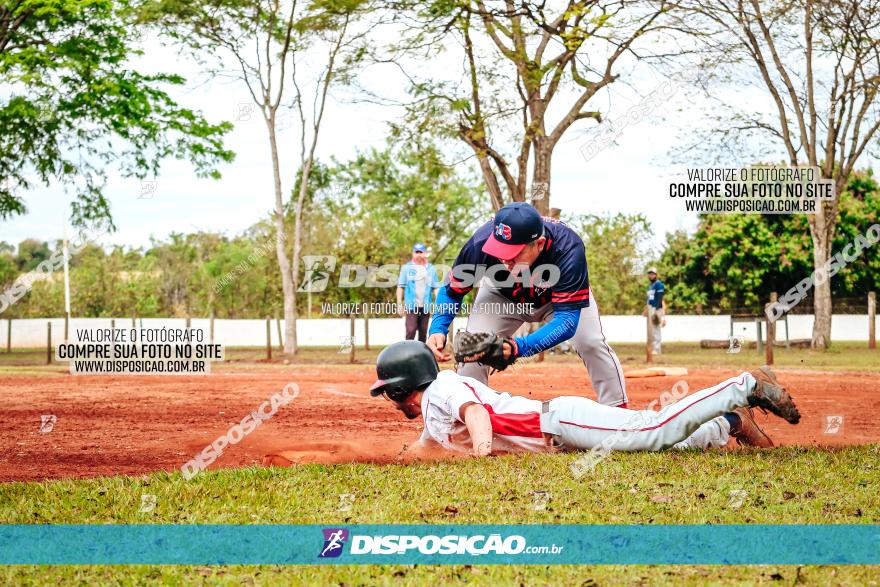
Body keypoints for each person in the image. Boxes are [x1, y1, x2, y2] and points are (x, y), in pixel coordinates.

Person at [370, 341, 799, 457]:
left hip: (561, 422)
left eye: (390, 393)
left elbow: (477, 414)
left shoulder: (444, 388)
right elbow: (424, 447)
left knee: (651, 431)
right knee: (660, 447)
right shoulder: (433, 410)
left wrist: (482, 454)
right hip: (564, 435)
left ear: (401, 387)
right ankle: (731, 423)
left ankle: (744, 385)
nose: (392, 402)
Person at [426, 202, 628, 408]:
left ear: (539, 244)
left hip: (556, 300)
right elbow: (452, 290)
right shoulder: (480, 244)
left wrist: (518, 348)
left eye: (514, 252)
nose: (505, 258)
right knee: (473, 351)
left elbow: (567, 321)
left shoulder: (568, 247)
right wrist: (438, 328)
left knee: (591, 341)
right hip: (502, 296)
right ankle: (473, 420)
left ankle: (618, 413)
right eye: (500, 249)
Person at [397, 242, 440, 343]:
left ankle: (420, 357)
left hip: (425, 306)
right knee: (410, 331)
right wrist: (399, 304)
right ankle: (407, 355)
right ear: (413, 254)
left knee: (423, 333)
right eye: (417, 252)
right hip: (411, 307)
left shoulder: (431, 269)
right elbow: (400, 287)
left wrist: (438, 305)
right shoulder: (406, 268)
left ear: (425, 253)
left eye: (421, 252)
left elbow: (436, 288)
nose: (419, 254)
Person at [643, 267, 666, 355]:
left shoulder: (659, 284)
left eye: (652, 274)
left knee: (656, 329)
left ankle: (657, 349)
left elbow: (660, 297)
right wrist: (646, 309)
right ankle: (652, 348)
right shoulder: (650, 286)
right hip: (650, 309)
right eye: (649, 274)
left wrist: (657, 309)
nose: (651, 275)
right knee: (651, 330)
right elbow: (649, 299)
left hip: (656, 308)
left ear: (656, 275)